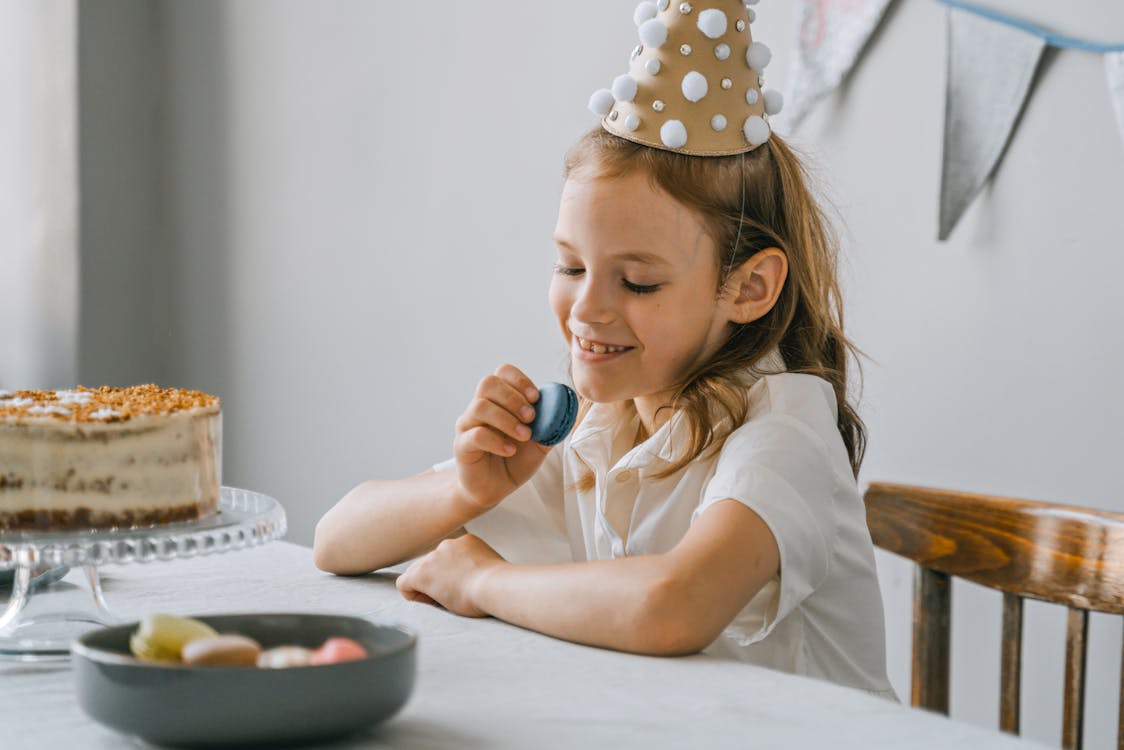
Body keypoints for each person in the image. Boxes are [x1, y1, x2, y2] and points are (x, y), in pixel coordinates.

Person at [314, 0, 896, 699]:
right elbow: (337, 541)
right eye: (570, 268)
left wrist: (485, 579)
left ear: (749, 288)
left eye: (638, 281)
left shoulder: (785, 437)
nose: (587, 308)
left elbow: (671, 606)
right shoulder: (602, 427)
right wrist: (466, 491)